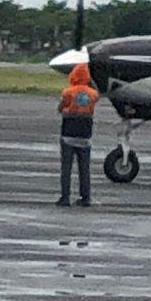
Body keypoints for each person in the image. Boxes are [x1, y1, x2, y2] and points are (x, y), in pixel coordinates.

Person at [57, 62, 98, 206]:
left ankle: (65, 197)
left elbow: (60, 108)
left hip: (69, 133)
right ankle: (85, 197)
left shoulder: (68, 92)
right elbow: (94, 100)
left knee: (66, 168)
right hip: (85, 134)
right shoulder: (93, 94)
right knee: (84, 169)